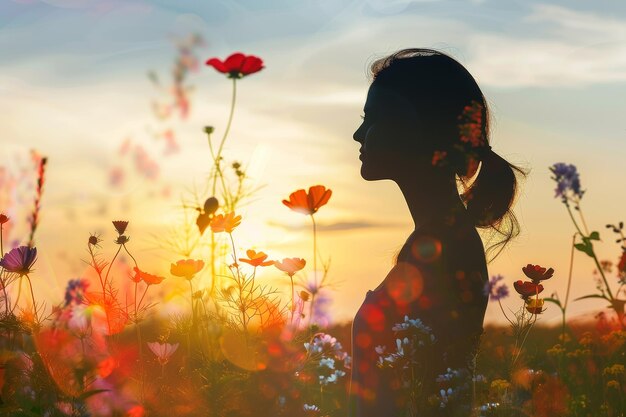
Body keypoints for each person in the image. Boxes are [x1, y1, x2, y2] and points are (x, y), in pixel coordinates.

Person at [347, 49, 526, 417]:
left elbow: (431, 396)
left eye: (373, 119)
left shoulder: (444, 247)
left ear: (417, 129)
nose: (358, 134)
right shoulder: (441, 238)